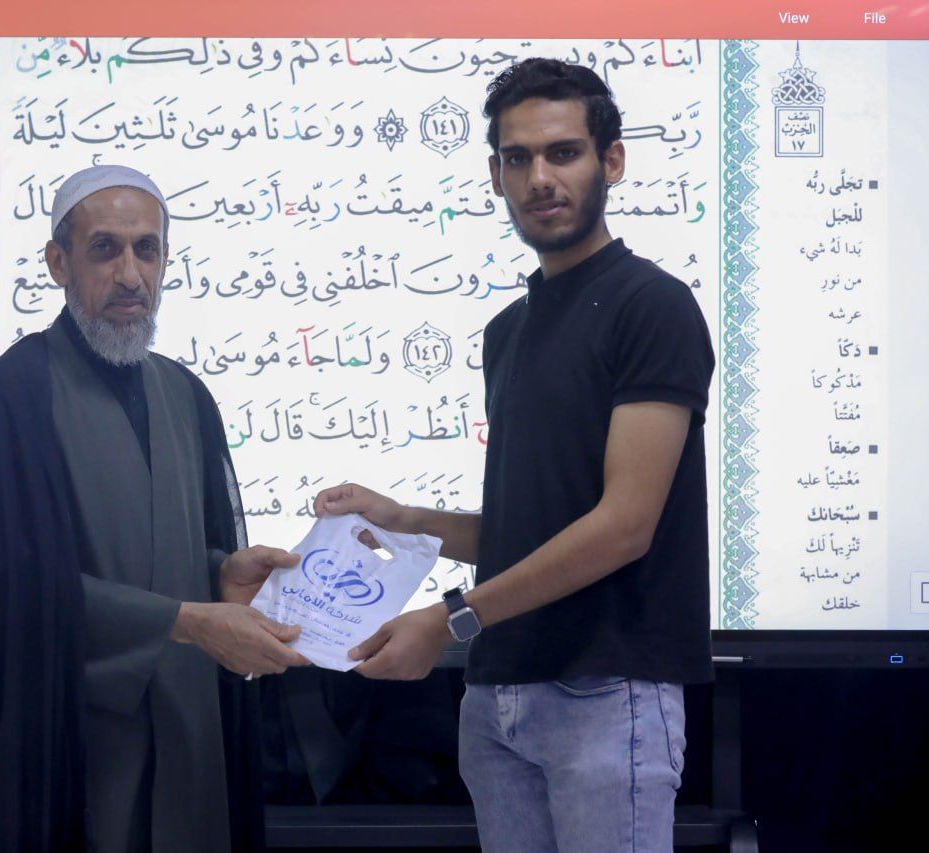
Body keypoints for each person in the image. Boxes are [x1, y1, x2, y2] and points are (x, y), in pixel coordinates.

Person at [313, 60, 715, 852]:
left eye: (563, 152)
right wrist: (404, 518)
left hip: (606, 697)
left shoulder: (652, 306)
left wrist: (452, 617)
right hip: (498, 701)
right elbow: (532, 529)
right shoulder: (508, 331)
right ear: (496, 175)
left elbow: (624, 526)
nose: (540, 178)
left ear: (612, 160)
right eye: (518, 157)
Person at [0, 164, 309, 852]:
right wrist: (182, 620)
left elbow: (169, 550)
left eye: (146, 249)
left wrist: (220, 574)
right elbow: (3, 592)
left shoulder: (186, 395)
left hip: (187, 734)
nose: (131, 275)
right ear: (58, 263)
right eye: (105, 249)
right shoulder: (8, 398)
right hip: (66, 744)